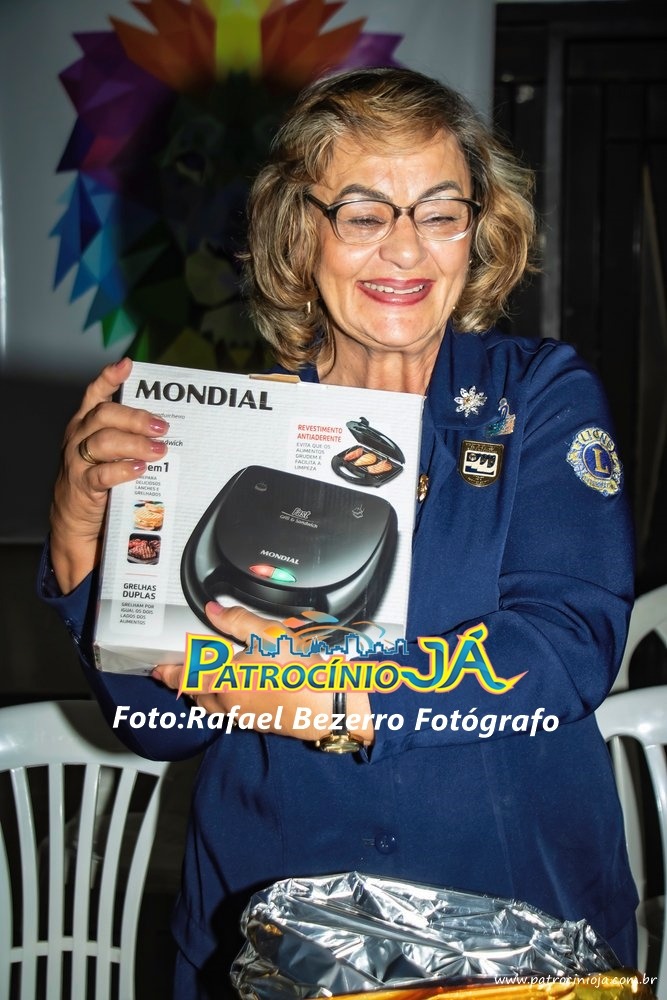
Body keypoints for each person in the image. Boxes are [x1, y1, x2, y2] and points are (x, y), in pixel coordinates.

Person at [41, 67, 638, 998]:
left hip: (510, 926)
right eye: (362, 214)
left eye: (439, 212)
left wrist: (337, 702)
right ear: (298, 232)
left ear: (477, 230)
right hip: (270, 927)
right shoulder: (229, 428)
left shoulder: (534, 395)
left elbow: (566, 645)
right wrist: (80, 527)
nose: (404, 248)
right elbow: (161, 727)